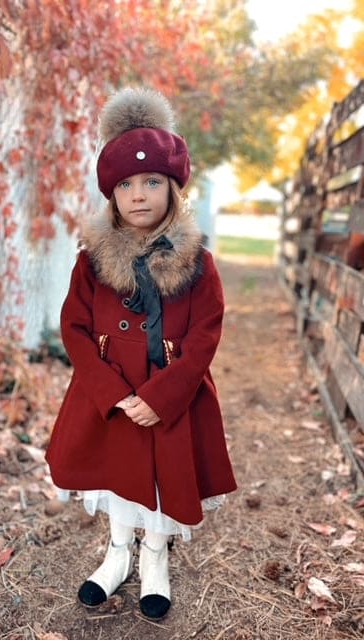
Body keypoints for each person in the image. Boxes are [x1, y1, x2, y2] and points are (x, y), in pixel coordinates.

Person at [45, 87, 237, 619]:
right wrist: (109, 392)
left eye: (152, 181)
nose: (138, 194)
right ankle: (116, 556)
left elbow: (205, 333)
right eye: (126, 184)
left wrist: (163, 395)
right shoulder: (91, 261)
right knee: (116, 474)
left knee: (159, 476)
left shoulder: (197, 261)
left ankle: (154, 556)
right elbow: (74, 325)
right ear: (112, 195)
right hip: (109, 393)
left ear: (173, 189)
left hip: (168, 395)